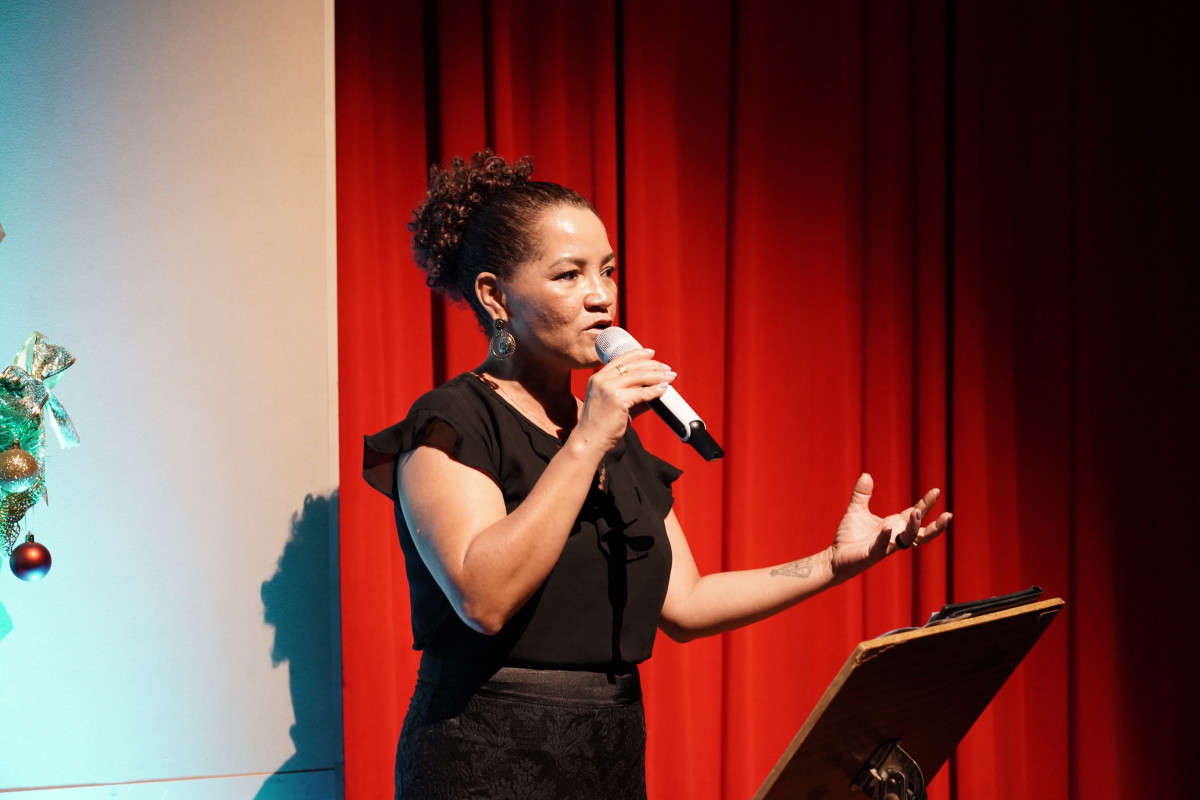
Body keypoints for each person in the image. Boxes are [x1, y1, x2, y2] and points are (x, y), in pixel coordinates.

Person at [362, 150, 952, 799]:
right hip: (487, 751)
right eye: (568, 275)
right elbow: (483, 600)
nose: (601, 295)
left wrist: (833, 563)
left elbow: (687, 605)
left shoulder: (610, 433)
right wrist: (588, 439)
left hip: (608, 750)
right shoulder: (454, 422)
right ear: (494, 295)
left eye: (607, 271)